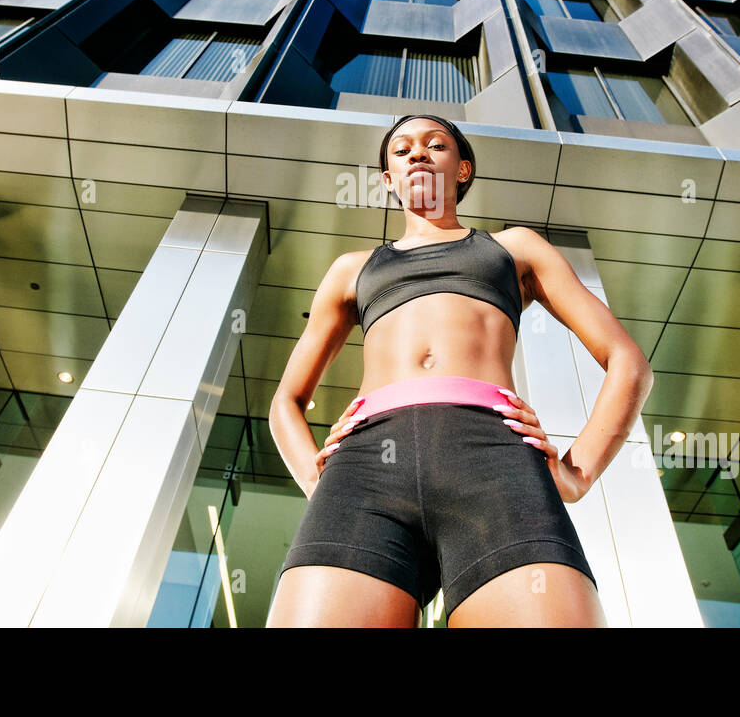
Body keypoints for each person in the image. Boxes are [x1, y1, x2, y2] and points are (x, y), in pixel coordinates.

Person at [265, 113, 653, 627]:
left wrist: (577, 474)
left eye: (435, 145)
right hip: (364, 470)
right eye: (401, 150)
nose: (417, 154)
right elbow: (285, 401)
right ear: (387, 179)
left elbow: (628, 364)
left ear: (463, 168)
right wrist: (320, 480)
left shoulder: (515, 248)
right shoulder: (350, 270)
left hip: (495, 463)